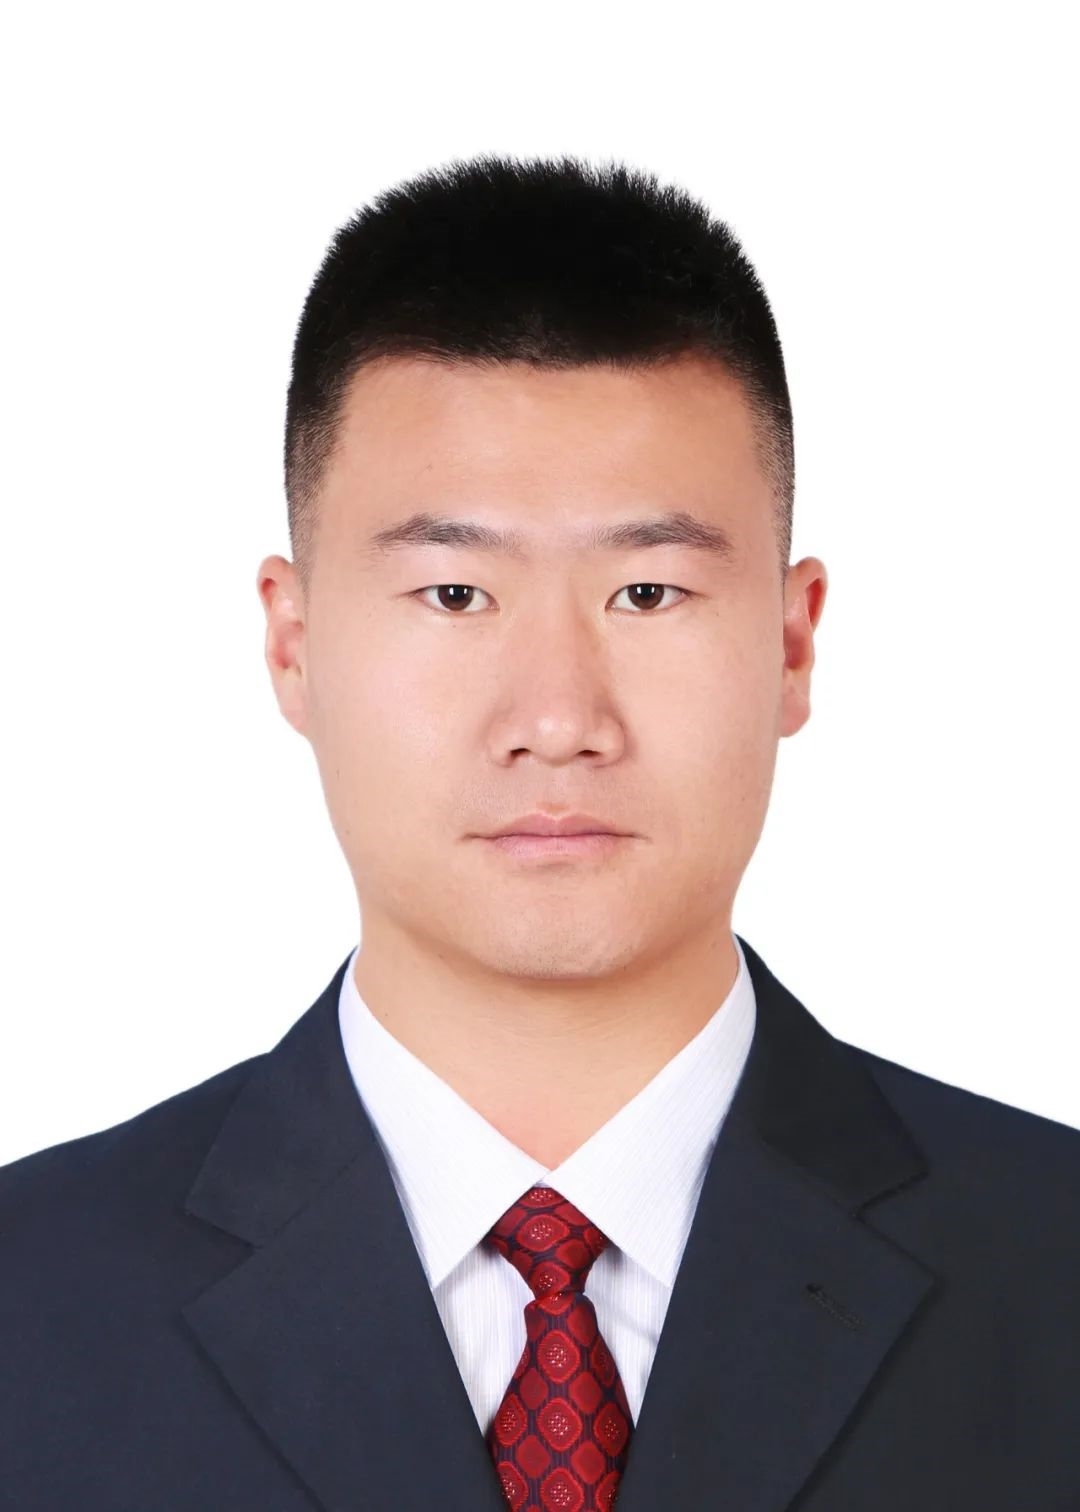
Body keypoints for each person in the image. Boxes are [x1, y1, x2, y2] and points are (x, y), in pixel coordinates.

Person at [1, 152, 1077, 1512]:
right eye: (455, 594)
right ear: (293, 643)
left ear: (793, 644)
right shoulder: (31, 1300)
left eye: (647, 592)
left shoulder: (1050, 1263)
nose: (559, 719)